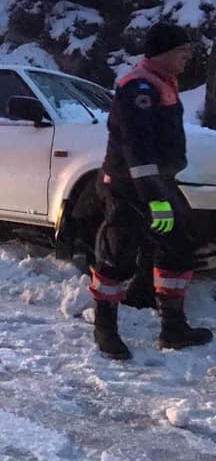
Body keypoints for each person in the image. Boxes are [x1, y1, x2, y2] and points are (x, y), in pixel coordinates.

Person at [89, 21, 212, 360]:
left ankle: (173, 327)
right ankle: (105, 329)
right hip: (129, 186)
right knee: (117, 255)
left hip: (159, 182)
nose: (187, 57)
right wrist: (156, 199)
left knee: (179, 245)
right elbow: (137, 149)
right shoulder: (138, 87)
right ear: (162, 52)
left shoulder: (163, 82)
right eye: (182, 51)